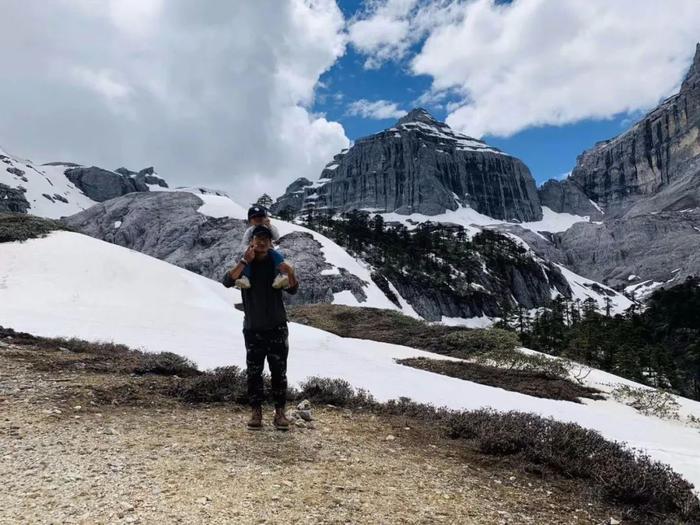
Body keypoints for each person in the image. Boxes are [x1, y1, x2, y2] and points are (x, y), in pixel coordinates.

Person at [222, 225, 299, 431]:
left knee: (279, 372)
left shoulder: (277, 263)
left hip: (277, 327)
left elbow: (293, 289)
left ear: (270, 241)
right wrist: (244, 261)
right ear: (252, 241)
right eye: (258, 238)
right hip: (253, 328)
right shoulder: (246, 263)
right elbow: (227, 281)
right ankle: (256, 413)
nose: (262, 242)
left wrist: (290, 271)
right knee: (254, 373)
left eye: (266, 238)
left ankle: (280, 414)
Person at [235, 205, 289, 290]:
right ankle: (246, 278)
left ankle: (281, 276)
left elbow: (276, 236)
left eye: (260, 216)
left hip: (268, 249)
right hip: (254, 250)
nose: (258, 219)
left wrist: (270, 226)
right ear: (250, 220)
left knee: (278, 256)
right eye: (254, 217)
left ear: (265, 218)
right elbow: (244, 242)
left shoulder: (268, 227)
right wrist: (248, 250)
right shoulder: (250, 231)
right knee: (248, 261)